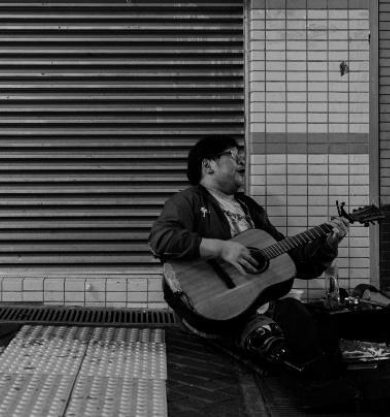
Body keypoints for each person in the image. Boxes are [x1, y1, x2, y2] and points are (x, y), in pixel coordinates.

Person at [149, 135, 350, 376]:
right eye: (234, 156)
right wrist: (221, 248)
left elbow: (291, 258)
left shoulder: (250, 208)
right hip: (208, 305)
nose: (242, 161)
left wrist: (327, 244)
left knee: (317, 324)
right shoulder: (189, 200)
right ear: (209, 165)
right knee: (281, 331)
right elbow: (161, 240)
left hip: (252, 304)